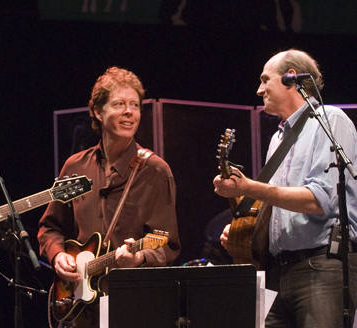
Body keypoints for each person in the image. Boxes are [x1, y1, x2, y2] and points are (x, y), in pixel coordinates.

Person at [213, 49, 357, 327]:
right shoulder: (278, 138)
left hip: (322, 267)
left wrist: (251, 188)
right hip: (279, 271)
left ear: (292, 80)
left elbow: (319, 200)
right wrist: (246, 231)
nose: (259, 89)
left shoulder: (330, 120)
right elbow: (279, 206)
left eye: (266, 80)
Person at [38, 67, 180, 327]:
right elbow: (50, 227)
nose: (129, 112)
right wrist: (58, 255)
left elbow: (167, 244)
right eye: (119, 104)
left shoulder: (156, 171)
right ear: (97, 112)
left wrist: (140, 257)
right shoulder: (74, 167)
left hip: (132, 306)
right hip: (79, 310)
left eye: (135, 105)